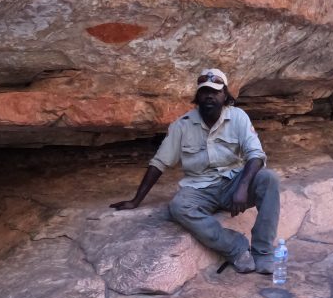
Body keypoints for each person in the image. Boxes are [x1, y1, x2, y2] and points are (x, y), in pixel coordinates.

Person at [111, 68, 281, 274]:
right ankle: (236, 248)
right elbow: (159, 163)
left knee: (269, 179)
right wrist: (136, 200)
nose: (209, 95)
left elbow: (256, 154)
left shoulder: (238, 117)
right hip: (199, 188)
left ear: (225, 95)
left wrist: (242, 188)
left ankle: (263, 253)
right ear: (197, 96)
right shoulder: (182, 125)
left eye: (215, 91)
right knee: (179, 206)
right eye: (204, 91)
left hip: (233, 182)